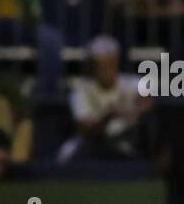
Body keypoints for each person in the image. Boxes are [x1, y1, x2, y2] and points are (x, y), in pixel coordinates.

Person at [58, 35, 156, 163]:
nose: (106, 70)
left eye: (110, 64)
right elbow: (87, 130)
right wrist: (108, 116)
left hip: (129, 142)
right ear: (91, 66)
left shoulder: (132, 82)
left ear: (116, 62)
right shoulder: (80, 91)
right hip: (94, 147)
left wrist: (128, 113)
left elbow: (148, 102)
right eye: (100, 65)